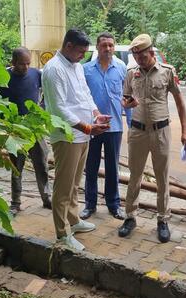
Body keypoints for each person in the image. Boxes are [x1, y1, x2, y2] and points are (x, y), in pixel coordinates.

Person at [117, 34, 186, 243]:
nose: (139, 60)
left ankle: (162, 220)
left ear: (151, 52)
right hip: (137, 132)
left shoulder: (167, 72)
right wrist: (127, 104)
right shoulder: (131, 74)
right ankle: (130, 217)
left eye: (142, 55)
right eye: (136, 56)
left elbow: (180, 102)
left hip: (161, 132)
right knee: (135, 176)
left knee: (162, 177)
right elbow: (125, 98)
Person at [42, 29, 110, 252]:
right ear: (68, 46)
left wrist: (96, 114)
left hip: (83, 134)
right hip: (66, 136)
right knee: (62, 187)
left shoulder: (77, 66)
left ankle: (74, 220)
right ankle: (62, 234)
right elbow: (59, 108)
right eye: (80, 51)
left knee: (74, 183)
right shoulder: (53, 69)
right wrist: (88, 127)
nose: (83, 56)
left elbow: (84, 95)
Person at [81, 32, 131, 221]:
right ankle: (90, 205)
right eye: (104, 45)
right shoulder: (85, 70)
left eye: (111, 45)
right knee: (91, 166)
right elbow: (82, 98)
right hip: (92, 127)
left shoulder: (121, 68)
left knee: (112, 167)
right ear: (97, 47)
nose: (108, 49)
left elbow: (127, 97)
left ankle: (114, 204)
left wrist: (130, 122)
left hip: (114, 127)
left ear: (114, 46)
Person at [0, 47, 52, 216]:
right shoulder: (3, 77)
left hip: (34, 128)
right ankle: (15, 202)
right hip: (15, 130)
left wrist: (41, 108)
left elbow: (48, 93)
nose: (26, 67)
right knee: (16, 167)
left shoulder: (36, 74)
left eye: (28, 63)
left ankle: (46, 197)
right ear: (13, 62)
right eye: (22, 64)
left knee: (41, 164)